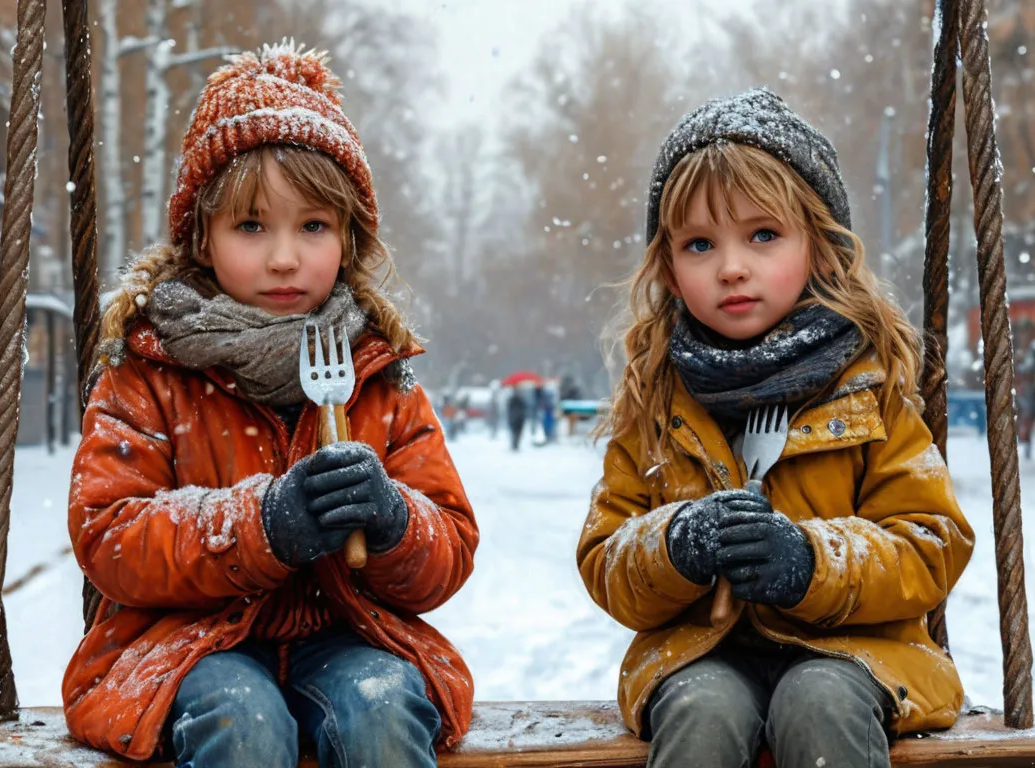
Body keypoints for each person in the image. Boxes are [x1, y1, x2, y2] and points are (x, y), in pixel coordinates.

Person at [64, 41, 478, 767]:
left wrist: (391, 520)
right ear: (202, 236)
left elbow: (447, 550)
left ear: (348, 239)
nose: (284, 257)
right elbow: (110, 536)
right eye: (252, 226)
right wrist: (260, 524)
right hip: (182, 645)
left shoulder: (379, 372)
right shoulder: (151, 367)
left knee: (382, 705)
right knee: (242, 718)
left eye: (312, 226)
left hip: (347, 634)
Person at [577, 88, 975, 768]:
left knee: (818, 701)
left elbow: (931, 545)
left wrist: (808, 561)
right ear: (670, 272)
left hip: (858, 650)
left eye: (763, 235)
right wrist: (677, 543)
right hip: (698, 652)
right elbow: (606, 559)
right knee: (703, 711)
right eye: (699, 244)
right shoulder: (658, 397)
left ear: (819, 248)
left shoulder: (868, 385)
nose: (732, 266)